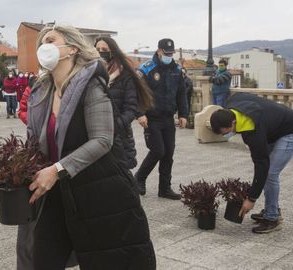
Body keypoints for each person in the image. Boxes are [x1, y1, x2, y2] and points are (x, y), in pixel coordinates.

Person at [25, 24, 156, 270]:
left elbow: (102, 140)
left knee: (106, 260)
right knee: (41, 260)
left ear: (72, 48)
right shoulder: (41, 92)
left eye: (50, 40)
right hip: (56, 194)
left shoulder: (91, 85)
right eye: (41, 43)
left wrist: (57, 169)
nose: (44, 46)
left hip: (98, 192)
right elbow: (35, 141)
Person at [210, 92, 293, 234]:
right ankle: (272, 209)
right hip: (273, 127)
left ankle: (272, 218)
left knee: (270, 174)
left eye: (226, 132)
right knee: (266, 171)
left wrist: (251, 198)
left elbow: (261, 164)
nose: (226, 135)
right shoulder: (230, 104)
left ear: (233, 122)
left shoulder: (253, 131)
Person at [135, 38, 188, 199]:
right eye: (166, 53)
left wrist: (184, 114)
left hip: (168, 118)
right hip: (151, 118)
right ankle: (138, 178)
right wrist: (139, 113)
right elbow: (136, 93)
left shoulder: (176, 70)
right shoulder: (146, 69)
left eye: (171, 53)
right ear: (159, 51)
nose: (169, 56)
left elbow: (181, 94)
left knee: (168, 154)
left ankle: (164, 188)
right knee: (158, 150)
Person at [94, 36, 153, 171]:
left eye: (104, 49)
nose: (100, 52)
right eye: (97, 49)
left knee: (120, 173)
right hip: (96, 134)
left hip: (119, 134)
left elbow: (131, 108)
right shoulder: (92, 74)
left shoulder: (125, 75)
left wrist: (115, 127)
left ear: (113, 51)